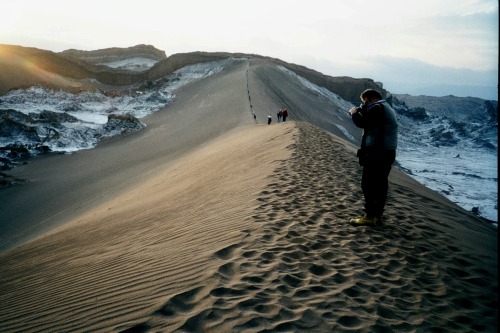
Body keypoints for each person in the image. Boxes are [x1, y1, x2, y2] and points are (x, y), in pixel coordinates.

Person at [348, 89, 398, 226]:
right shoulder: (385, 107)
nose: (365, 105)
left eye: (366, 102)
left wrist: (354, 113)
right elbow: (372, 119)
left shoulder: (377, 108)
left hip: (377, 153)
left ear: (373, 98)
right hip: (387, 152)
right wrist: (363, 108)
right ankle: (377, 216)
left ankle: (369, 216)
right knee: (380, 186)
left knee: (368, 185)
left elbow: (363, 123)